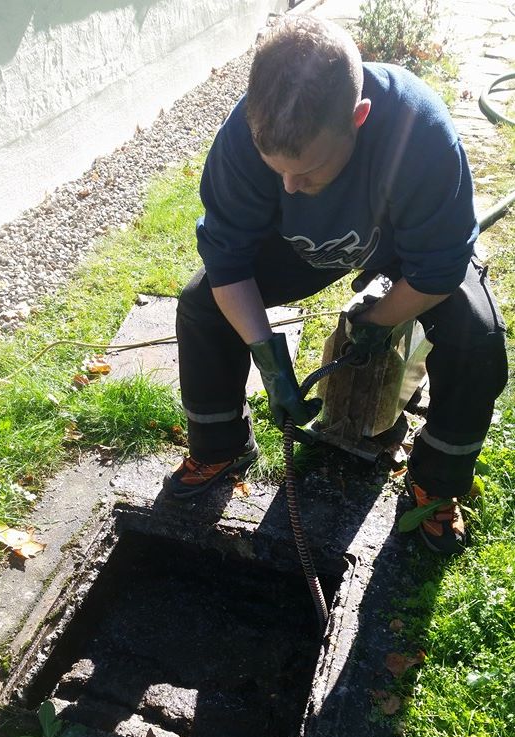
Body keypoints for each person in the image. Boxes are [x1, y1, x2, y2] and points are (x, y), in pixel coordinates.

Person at [165, 16, 508, 556]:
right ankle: (220, 446)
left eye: (308, 170)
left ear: (359, 117)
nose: (289, 186)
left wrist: (374, 321)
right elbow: (227, 263)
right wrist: (268, 358)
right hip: (304, 247)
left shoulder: (420, 131)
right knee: (201, 305)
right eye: (277, 170)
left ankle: (436, 484)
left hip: (400, 246)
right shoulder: (244, 138)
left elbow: (438, 271)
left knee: (478, 335)